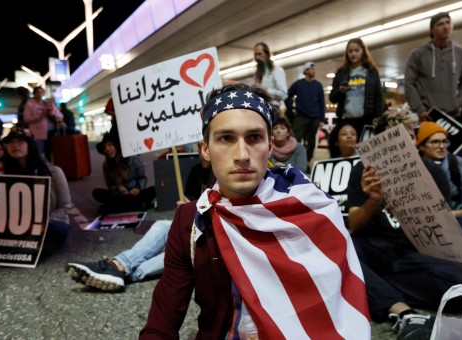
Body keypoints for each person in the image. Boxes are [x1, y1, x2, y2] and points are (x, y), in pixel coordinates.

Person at [140, 83, 370, 339]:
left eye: (254, 138)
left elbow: (339, 306)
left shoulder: (310, 210)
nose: (242, 155)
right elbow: (163, 318)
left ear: (270, 146)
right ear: (205, 149)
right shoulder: (191, 221)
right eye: (226, 138)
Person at [345, 111, 462, 339]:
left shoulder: (433, 172)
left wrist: (413, 214)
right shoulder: (363, 172)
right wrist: (373, 200)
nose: (402, 146)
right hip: (372, 246)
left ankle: (369, 287)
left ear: (415, 140)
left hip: (413, 254)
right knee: (343, 247)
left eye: (409, 137)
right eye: (393, 140)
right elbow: (355, 224)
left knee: (460, 289)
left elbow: (443, 234)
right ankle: (402, 311)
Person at [64, 146, 215, 292]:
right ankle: (119, 266)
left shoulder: (223, 176)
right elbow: (190, 201)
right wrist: (184, 208)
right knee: (162, 225)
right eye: (200, 144)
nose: (202, 150)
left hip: (212, 237)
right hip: (195, 224)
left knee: (181, 251)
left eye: (206, 144)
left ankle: (122, 272)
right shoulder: (196, 170)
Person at [1, 129, 73, 256]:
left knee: (42, 244)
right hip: (22, 227)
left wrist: (44, 222)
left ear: (30, 145)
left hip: (52, 224)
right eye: (10, 142)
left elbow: (65, 206)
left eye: (20, 141)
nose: (14, 145)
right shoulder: (7, 176)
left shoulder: (54, 172)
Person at [404, 12, 462, 122]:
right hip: (427, 114)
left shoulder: (461, 53)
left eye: (448, 23)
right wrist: (419, 108)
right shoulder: (418, 54)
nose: (446, 27)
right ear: (432, 30)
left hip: (453, 115)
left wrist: (459, 101)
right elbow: (409, 83)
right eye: (440, 24)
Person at [417, 121, 462, 236]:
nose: (442, 146)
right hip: (421, 218)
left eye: (444, 141)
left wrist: (454, 214)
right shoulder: (413, 166)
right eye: (435, 142)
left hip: (453, 215)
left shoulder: (458, 164)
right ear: (422, 146)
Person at [330, 37, 384, 138]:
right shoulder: (341, 72)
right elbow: (332, 97)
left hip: (366, 120)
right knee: (349, 152)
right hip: (346, 120)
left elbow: (378, 98)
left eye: (356, 50)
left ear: (363, 51)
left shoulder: (371, 72)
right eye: (350, 51)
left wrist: (378, 121)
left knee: (365, 152)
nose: (353, 54)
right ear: (347, 53)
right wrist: (340, 91)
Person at [92, 132, 156, 215]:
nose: (107, 149)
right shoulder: (106, 165)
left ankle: (114, 208)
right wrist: (119, 188)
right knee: (97, 193)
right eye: (105, 147)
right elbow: (110, 185)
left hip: (136, 192)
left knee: (153, 190)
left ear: (116, 146)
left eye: (110, 145)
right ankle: (138, 205)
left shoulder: (133, 158)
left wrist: (138, 188)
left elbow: (142, 177)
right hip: (120, 195)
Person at [284, 61, 325, 163]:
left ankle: (306, 162)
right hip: (301, 116)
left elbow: (322, 102)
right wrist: (291, 110)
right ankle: (293, 161)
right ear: (306, 71)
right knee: (295, 139)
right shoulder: (298, 84)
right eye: (312, 68)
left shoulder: (318, 85)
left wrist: (322, 119)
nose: (314, 70)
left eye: (314, 68)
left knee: (311, 142)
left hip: (315, 117)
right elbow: (287, 96)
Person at [22, 86, 63, 160]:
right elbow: (26, 119)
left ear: (43, 93)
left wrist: (52, 114)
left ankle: (50, 168)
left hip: (51, 131)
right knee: (39, 154)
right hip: (37, 133)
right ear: (34, 94)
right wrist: (40, 115)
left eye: (41, 92)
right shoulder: (29, 104)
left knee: (51, 153)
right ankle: (41, 170)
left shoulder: (48, 103)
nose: (39, 94)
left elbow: (60, 115)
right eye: (37, 92)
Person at [253, 42, 288, 112]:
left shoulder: (277, 70)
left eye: (259, 54)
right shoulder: (259, 73)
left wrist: (265, 90)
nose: (257, 57)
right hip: (261, 108)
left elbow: (284, 94)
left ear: (267, 54)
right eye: (255, 55)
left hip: (273, 110)